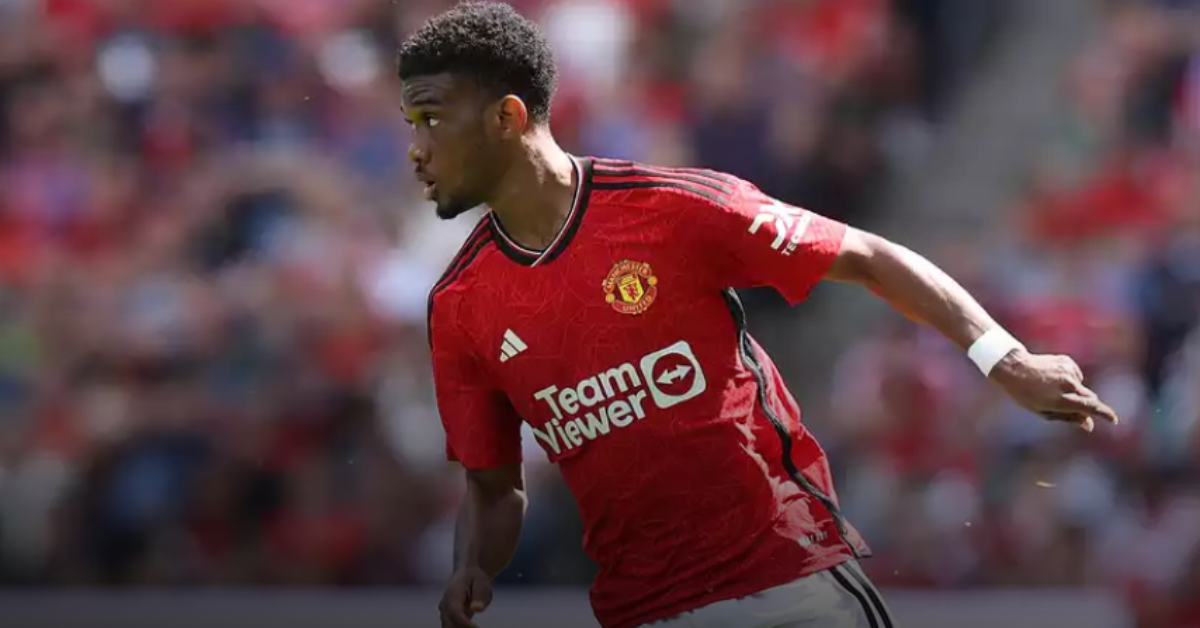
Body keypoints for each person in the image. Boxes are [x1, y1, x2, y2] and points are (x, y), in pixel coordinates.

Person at [399, 4, 1121, 628]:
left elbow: (869, 256)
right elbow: (494, 487)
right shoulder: (460, 305)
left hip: (786, 584)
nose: (416, 148)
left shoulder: (671, 210)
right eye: (411, 123)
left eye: (432, 119)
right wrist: (472, 565)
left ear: (507, 116)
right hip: (642, 610)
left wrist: (1005, 358)